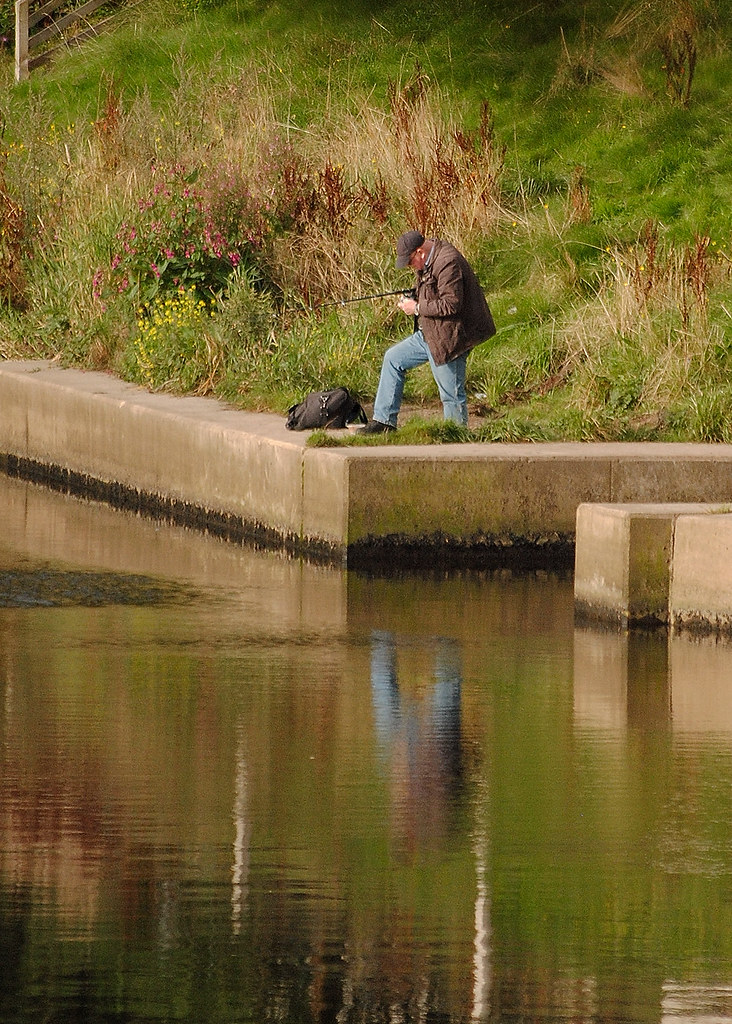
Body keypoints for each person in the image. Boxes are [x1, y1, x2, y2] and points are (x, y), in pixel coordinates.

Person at [357, 230, 496, 434]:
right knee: (393, 359)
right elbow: (435, 291)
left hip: (452, 337)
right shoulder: (429, 258)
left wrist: (417, 307)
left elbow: (452, 304)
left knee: (451, 394)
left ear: (420, 252)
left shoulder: (448, 262)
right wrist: (415, 295)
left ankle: (456, 437)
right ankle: (384, 422)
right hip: (430, 334)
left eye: (410, 261)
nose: (410, 266)